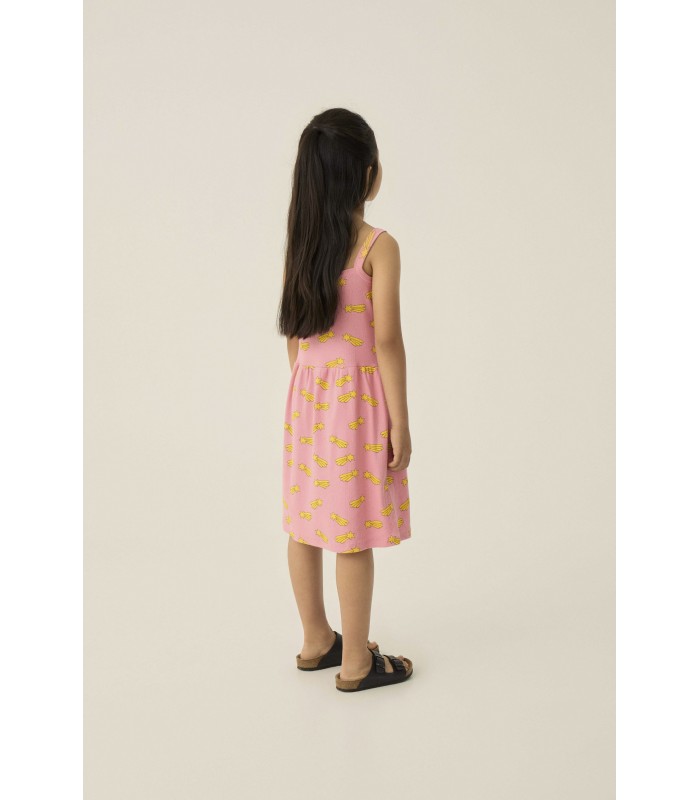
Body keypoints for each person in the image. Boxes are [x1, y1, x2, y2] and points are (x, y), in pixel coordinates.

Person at [277, 108, 414, 692]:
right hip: (355, 406)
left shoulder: (304, 243)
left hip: (307, 399)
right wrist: (399, 421)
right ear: (368, 174)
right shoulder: (378, 246)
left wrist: (311, 390)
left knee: (305, 522)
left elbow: (294, 334)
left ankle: (316, 639)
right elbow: (387, 340)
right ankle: (356, 660)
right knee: (352, 530)